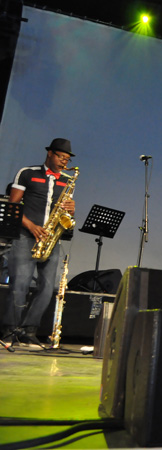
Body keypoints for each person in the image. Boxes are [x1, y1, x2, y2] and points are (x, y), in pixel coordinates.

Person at [0, 138, 76, 346]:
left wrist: (71, 209)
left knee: (47, 287)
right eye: (61, 157)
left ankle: (28, 330)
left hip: (51, 238)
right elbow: (13, 205)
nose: (64, 162)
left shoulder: (67, 180)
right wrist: (31, 226)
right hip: (26, 236)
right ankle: (9, 330)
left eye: (67, 159)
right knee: (20, 284)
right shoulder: (27, 173)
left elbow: (64, 210)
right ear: (49, 153)